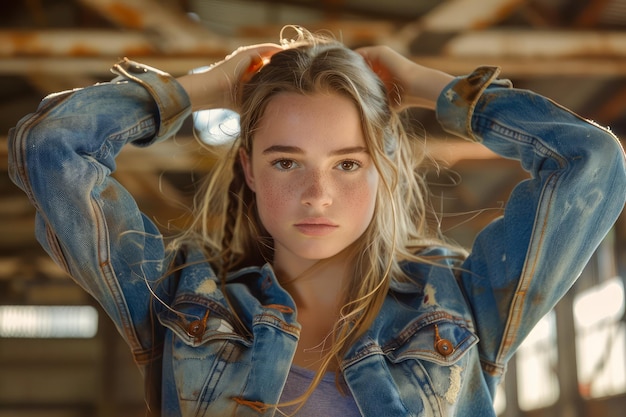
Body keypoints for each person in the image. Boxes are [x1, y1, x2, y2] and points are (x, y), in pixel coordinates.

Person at [8, 26, 626, 417]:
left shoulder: (463, 303)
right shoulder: (176, 300)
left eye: (348, 163)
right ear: (249, 169)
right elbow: (53, 149)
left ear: (383, 167)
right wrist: (204, 87)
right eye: (286, 161)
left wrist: (433, 88)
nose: (317, 194)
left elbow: (590, 161)